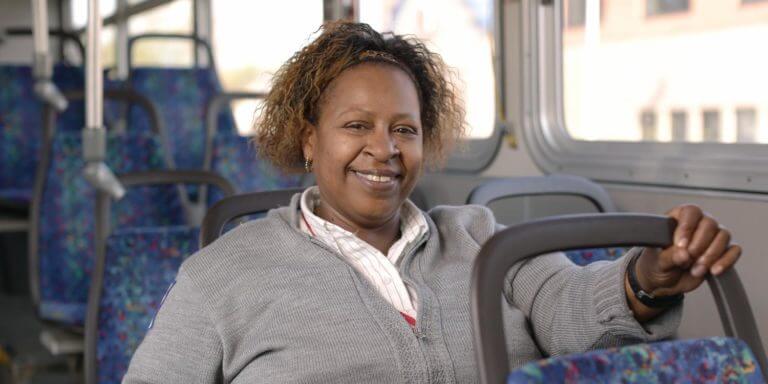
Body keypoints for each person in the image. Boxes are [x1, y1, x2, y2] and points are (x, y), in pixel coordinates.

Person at [123, 21, 741, 383]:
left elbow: (567, 307)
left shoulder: (482, 237)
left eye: (404, 129)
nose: (384, 149)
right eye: (356, 126)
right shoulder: (222, 274)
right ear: (308, 139)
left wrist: (648, 279)